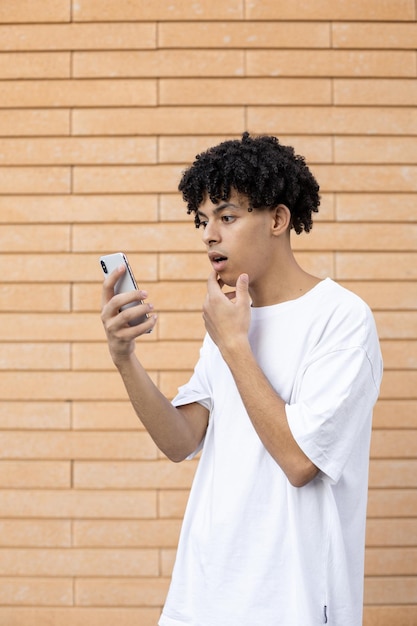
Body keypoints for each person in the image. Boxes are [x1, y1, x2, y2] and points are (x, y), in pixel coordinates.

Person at [101, 132, 383, 626]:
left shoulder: (341, 318)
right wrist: (125, 357)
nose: (209, 234)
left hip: (291, 604)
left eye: (227, 217)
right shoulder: (231, 318)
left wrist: (235, 344)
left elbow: (300, 462)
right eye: (202, 220)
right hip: (202, 598)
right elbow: (181, 439)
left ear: (277, 219)